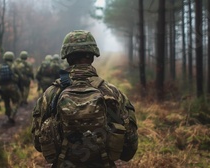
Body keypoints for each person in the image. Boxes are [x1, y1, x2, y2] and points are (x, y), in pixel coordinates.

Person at [31, 30, 138, 167]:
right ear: (93, 56)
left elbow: (38, 143)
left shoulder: (51, 93)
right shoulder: (112, 92)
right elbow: (129, 149)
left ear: (67, 57)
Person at [0, 51, 23, 125]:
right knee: (17, 101)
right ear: (12, 58)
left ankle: (8, 116)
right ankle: (12, 116)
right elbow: (20, 77)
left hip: (2, 88)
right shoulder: (14, 66)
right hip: (12, 87)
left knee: (6, 102)